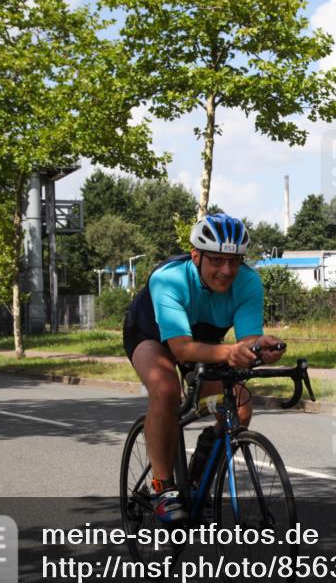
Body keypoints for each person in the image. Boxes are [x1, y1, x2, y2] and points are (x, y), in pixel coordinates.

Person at [122, 214, 285, 525]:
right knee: (166, 389)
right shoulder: (168, 279)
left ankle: (198, 483)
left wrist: (259, 347)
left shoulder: (249, 282)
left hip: (206, 339)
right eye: (217, 260)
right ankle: (162, 488)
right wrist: (230, 352)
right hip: (152, 334)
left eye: (234, 261)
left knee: (240, 405)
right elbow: (181, 348)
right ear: (196, 255)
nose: (226, 271)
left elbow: (247, 340)